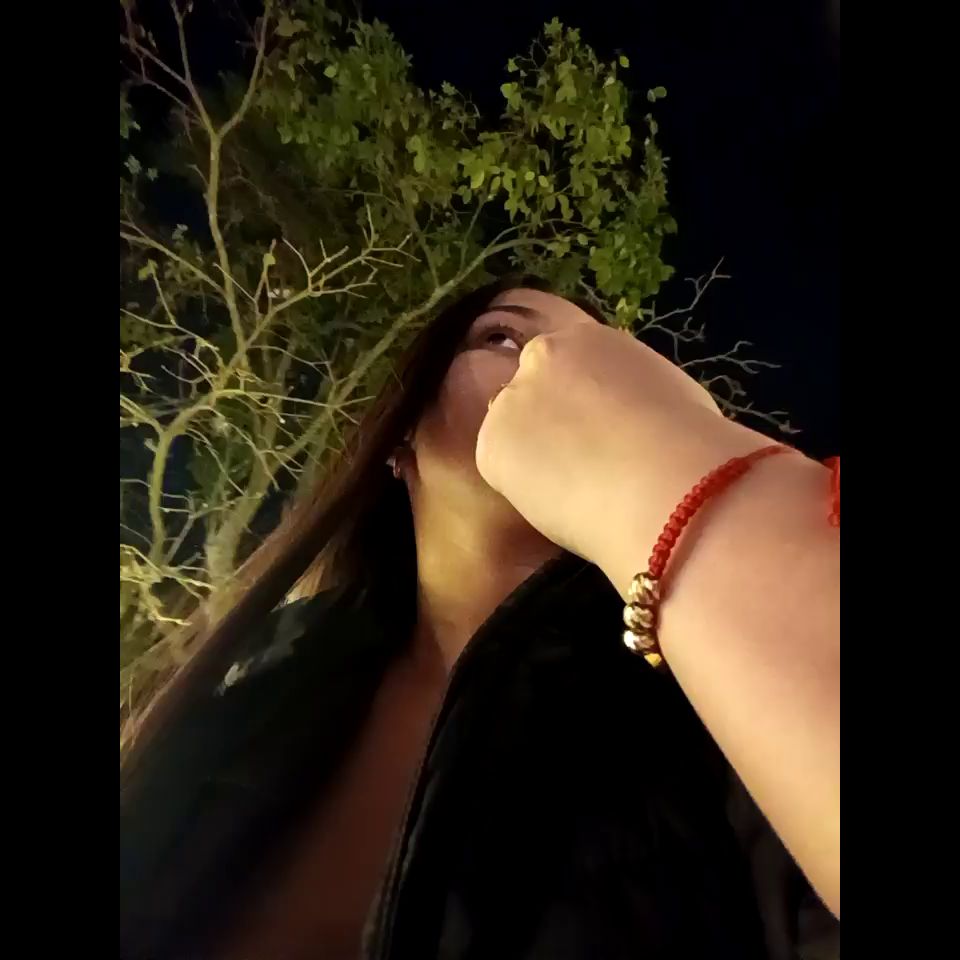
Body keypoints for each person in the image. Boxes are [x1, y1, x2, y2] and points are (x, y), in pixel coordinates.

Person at [120, 276, 840, 960]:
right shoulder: (253, 693)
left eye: (608, 357)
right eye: (503, 338)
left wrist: (683, 476)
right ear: (403, 437)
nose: (558, 366)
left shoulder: (713, 697)